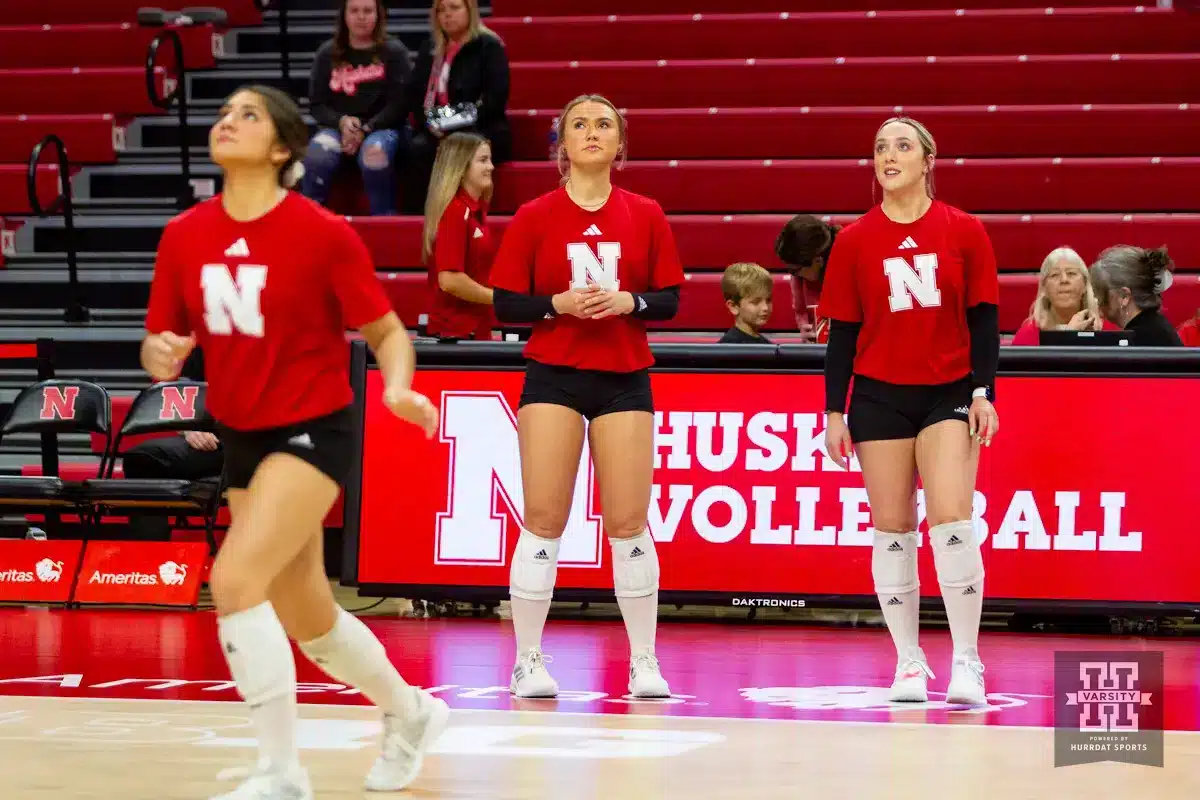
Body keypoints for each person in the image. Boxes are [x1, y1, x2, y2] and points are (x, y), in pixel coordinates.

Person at [142, 84, 447, 799]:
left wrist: (398, 388)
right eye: (222, 112)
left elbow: (387, 331)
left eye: (246, 114)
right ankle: (412, 712)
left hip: (314, 424)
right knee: (306, 611)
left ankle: (280, 774)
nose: (227, 121)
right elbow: (168, 340)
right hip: (239, 429)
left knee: (234, 580)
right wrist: (161, 354)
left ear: (281, 148)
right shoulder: (184, 234)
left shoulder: (320, 231)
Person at [488, 93, 684, 699]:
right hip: (553, 374)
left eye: (604, 125)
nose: (592, 133)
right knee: (544, 521)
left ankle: (644, 661)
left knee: (629, 523)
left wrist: (630, 301)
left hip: (623, 375)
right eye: (580, 124)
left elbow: (672, 299)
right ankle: (527, 660)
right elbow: (504, 305)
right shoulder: (534, 215)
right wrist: (558, 304)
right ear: (562, 145)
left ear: (620, 145)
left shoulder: (646, 212)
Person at [817, 116, 1000, 707]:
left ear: (927, 161)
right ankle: (909, 663)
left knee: (950, 521)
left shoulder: (965, 230)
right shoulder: (852, 241)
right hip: (876, 395)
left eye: (902, 146)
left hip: (946, 389)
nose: (888, 156)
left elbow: (984, 319)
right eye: (879, 148)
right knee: (893, 530)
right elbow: (842, 334)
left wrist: (982, 391)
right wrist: (833, 412)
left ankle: (967, 660)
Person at [301, 0, 412, 215]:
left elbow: (401, 104)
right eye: (354, 11)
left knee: (374, 154)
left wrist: (367, 128)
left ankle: (384, 221)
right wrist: (341, 122)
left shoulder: (394, 51)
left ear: (378, 15)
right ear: (344, 15)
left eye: (367, 11)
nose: (361, 17)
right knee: (317, 154)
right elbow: (317, 105)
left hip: (383, 127)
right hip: (338, 127)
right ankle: (310, 218)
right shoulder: (327, 53)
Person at [402, 0, 511, 213]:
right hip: (435, 127)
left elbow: (494, 100)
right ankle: (423, 218)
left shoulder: (488, 45)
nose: (447, 15)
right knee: (415, 148)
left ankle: (466, 216)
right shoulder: (431, 48)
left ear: (469, 10)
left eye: (454, 8)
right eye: (441, 10)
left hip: (480, 126)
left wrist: (446, 122)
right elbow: (415, 95)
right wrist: (431, 123)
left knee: (461, 149)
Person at [423, 131, 496, 341]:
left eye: (490, 159)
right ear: (461, 168)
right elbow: (449, 279)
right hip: (456, 333)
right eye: (483, 160)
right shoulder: (455, 211)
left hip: (474, 330)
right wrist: (497, 299)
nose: (490, 167)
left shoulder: (475, 210)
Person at [1009, 247, 1117, 345]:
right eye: (1055, 275)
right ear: (1044, 289)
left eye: (1071, 273)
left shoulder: (1108, 331)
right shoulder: (1029, 334)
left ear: (1085, 285)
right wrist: (1068, 336)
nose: (1064, 280)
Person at [1090, 245, 1185, 346]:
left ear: (1124, 296)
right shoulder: (1155, 327)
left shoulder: (1137, 341)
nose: (1097, 301)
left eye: (1099, 292)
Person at [775, 213, 839, 342]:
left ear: (818, 261)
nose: (793, 275)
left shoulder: (850, 269)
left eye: (795, 270)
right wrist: (804, 329)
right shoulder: (800, 276)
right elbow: (801, 312)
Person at [718, 262, 773, 343]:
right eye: (755, 302)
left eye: (768, 300)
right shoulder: (726, 348)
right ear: (733, 306)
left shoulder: (767, 344)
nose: (765, 307)